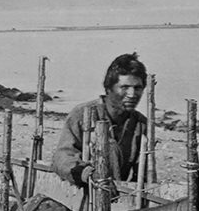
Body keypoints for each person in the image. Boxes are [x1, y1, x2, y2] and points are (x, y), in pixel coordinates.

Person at [52, 53, 148, 188]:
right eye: (124, 87)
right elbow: (62, 158)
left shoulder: (141, 125)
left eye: (137, 88)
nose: (132, 94)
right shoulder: (82, 114)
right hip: (84, 190)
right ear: (109, 89)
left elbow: (143, 174)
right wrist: (86, 174)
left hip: (117, 192)